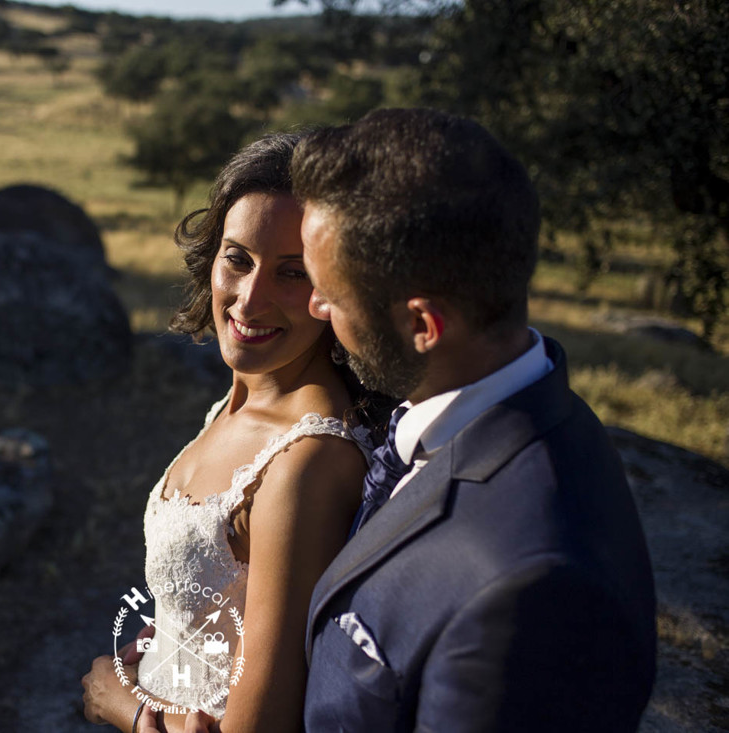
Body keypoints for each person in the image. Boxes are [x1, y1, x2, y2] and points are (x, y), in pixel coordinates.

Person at [152, 109, 658, 732]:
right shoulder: (515, 421)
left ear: (422, 326)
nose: (315, 307)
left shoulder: (529, 588)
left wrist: (132, 712)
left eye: (328, 291)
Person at [80, 132, 392, 732]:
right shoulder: (244, 398)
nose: (249, 300)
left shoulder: (307, 462)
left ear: (338, 291)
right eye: (238, 258)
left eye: (292, 273)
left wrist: (118, 704)